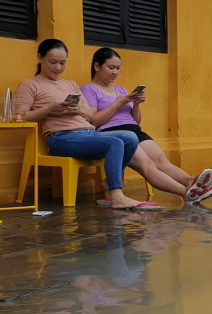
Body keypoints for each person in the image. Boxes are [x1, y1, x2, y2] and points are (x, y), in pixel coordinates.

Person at [14, 39, 160, 212]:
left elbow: (91, 116)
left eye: (63, 63)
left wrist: (79, 109)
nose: (58, 68)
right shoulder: (30, 85)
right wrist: (50, 108)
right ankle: (117, 195)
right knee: (115, 142)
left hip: (88, 134)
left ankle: (109, 182)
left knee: (129, 137)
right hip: (61, 138)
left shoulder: (71, 84)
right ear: (40, 58)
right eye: (52, 62)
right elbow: (19, 117)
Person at [81, 48, 212, 206]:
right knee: (148, 165)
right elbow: (93, 121)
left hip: (134, 130)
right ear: (97, 66)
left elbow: (135, 120)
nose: (115, 72)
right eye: (111, 68)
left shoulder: (120, 89)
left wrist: (136, 104)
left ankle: (190, 182)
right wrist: (118, 103)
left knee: (161, 160)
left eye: (118, 68)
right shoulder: (88, 89)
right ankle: (186, 194)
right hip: (114, 134)